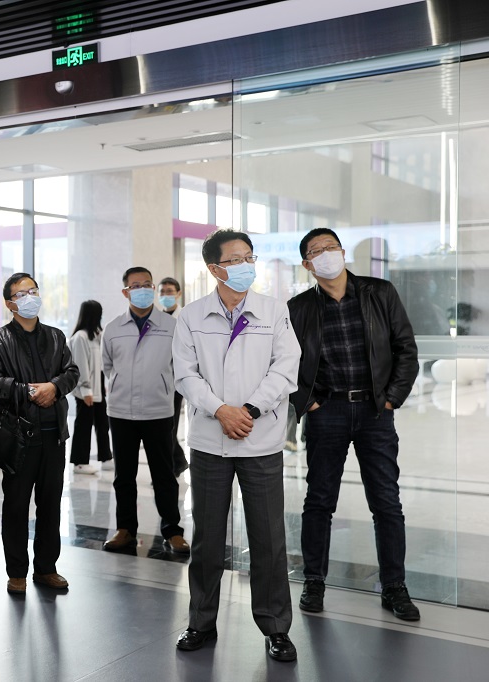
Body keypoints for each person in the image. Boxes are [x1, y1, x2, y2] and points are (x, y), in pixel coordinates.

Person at [171, 229, 300, 663]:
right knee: (207, 538)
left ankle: (276, 627)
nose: (246, 265)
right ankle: (201, 622)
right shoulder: (191, 316)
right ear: (214, 268)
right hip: (210, 441)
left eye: (250, 257)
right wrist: (220, 410)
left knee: (268, 538)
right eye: (236, 259)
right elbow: (185, 374)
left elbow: (286, 367)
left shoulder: (273, 310)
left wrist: (249, 409)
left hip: (260, 439)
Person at [289, 228, 421, 621]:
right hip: (326, 412)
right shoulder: (298, 308)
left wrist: (391, 397)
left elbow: (405, 348)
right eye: (316, 251)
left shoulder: (379, 293)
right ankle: (314, 581)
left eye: (331, 247)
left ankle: (394, 586)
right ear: (307, 264)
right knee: (319, 501)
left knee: (386, 502)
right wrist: (307, 402)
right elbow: (284, 363)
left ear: (342, 251)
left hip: (374, 411)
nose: (326, 254)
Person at [0, 273, 79, 594]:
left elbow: (71, 372)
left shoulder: (55, 337)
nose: (29, 297)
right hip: (19, 436)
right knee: (16, 505)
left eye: (33, 291)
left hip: (53, 435)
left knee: (50, 505)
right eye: (21, 294)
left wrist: (54, 387)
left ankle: (46, 568)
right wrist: (28, 391)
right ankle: (17, 572)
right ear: (9, 304)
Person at [100, 267, 188, 555]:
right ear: (125, 292)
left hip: (158, 411)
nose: (143, 290)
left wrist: (162, 386)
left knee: (164, 475)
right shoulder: (113, 328)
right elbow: (108, 367)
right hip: (121, 412)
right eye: (136, 286)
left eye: (147, 284)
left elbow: (180, 366)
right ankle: (125, 530)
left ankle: (172, 531)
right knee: (123, 476)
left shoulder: (171, 326)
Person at [67, 300, 113, 474]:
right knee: (84, 425)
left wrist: (101, 386)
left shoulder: (95, 335)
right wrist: (86, 390)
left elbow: (100, 364)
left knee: (103, 423)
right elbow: (81, 366)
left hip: (97, 387)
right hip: (85, 389)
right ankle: (79, 462)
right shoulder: (80, 337)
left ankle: (106, 458)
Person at [158, 277, 189, 476]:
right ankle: (178, 462)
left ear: (178, 293)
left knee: (169, 425)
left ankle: (171, 467)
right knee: (163, 426)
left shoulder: (185, 317)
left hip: (176, 380)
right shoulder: (156, 318)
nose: (165, 295)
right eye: (162, 292)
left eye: (169, 291)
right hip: (158, 380)